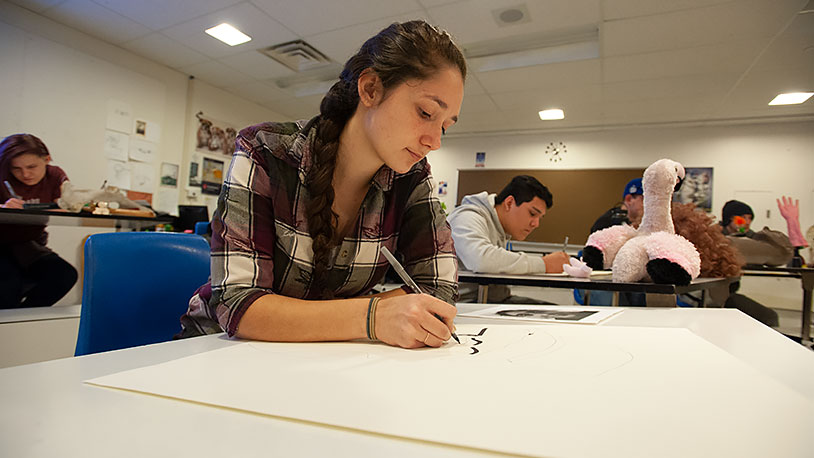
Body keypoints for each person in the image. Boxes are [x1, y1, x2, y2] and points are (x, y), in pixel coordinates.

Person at [178, 21, 465, 349]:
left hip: (324, 354)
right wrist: (373, 315)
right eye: (426, 112)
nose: (435, 141)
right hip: (219, 350)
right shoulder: (265, 151)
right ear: (370, 89)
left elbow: (438, 285)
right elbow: (239, 305)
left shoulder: (411, 176)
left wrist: (364, 315)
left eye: (446, 126)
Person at [446, 175, 569, 302]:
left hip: (491, 299)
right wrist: (544, 264)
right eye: (532, 214)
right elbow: (482, 260)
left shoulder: (500, 228)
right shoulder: (467, 217)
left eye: (539, 218)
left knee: (557, 314)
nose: (536, 224)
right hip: (464, 305)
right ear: (509, 203)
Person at [0, 133, 78, 308]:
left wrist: (29, 209)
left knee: (64, 275)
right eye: (16, 169)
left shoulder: (55, 175)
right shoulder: (1, 173)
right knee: (8, 285)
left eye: (32, 166)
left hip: (29, 244)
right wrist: (3, 207)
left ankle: (23, 318)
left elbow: (67, 206)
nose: (25, 174)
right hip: (2, 243)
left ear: (47, 159)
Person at [718, 198, 809, 327]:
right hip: (710, 294)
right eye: (742, 218)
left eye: (750, 218)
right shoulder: (714, 235)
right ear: (730, 219)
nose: (747, 222)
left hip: (728, 293)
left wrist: (792, 224)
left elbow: (777, 251)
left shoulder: (748, 236)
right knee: (767, 317)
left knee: (769, 317)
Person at [579, 177, 647, 306]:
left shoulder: (646, 225)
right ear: (629, 199)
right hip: (609, 283)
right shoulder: (607, 223)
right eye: (645, 200)